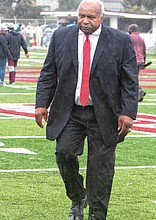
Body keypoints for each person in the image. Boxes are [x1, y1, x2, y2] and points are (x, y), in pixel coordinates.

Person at [35, 0, 138, 219]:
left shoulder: (120, 40)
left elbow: (130, 81)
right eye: (81, 15)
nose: (85, 21)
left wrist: (128, 113)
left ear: (102, 17)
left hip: (105, 113)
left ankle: (97, 214)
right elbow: (48, 73)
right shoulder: (61, 37)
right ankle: (77, 196)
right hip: (70, 110)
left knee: (100, 167)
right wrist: (41, 103)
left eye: (90, 17)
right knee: (64, 153)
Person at [128, 24, 146, 102]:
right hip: (140, 60)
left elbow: (127, 49)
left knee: (131, 78)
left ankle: (138, 91)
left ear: (131, 30)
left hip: (132, 60)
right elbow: (144, 50)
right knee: (134, 77)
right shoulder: (141, 38)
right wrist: (144, 61)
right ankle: (137, 92)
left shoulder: (129, 37)